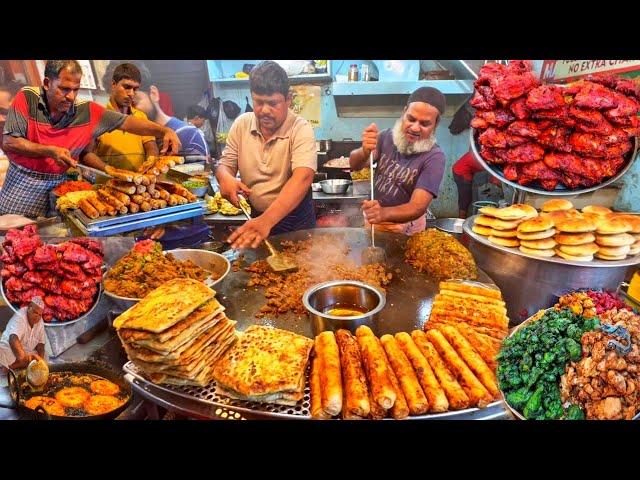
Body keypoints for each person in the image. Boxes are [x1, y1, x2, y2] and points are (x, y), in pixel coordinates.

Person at [0, 60, 181, 218]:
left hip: (61, 190)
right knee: (14, 244)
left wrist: (165, 131)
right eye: (64, 89)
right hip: (22, 186)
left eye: (75, 90)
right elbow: (10, 142)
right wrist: (49, 150)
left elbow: (128, 123)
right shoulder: (27, 97)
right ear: (47, 83)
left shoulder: (86, 111)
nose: (70, 96)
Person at [216, 61, 317, 249]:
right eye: (259, 102)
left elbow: (303, 177)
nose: (264, 110)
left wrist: (266, 221)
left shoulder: (300, 128)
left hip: (296, 224)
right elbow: (225, 165)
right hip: (257, 220)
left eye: (272, 103)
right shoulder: (241, 124)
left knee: (304, 272)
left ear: (288, 99)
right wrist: (225, 178)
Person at [349, 86, 447, 235]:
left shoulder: (435, 157)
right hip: (375, 219)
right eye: (411, 119)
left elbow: (417, 207)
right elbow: (354, 165)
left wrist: (383, 213)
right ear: (404, 112)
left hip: (406, 226)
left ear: (435, 125)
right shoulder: (387, 136)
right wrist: (363, 151)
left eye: (425, 124)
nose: (415, 128)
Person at [125, 61, 209, 160]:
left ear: (153, 94)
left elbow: (201, 173)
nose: (131, 110)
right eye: (125, 106)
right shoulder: (135, 138)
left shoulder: (189, 134)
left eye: (135, 103)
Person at [92, 63, 159, 171]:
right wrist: (109, 170)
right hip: (107, 183)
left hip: (138, 183)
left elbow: (151, 146)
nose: (131, 94)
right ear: (113, 84)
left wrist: (150, 162)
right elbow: (87, 155)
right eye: (127, 87)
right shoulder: (98, 117)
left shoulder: (141, 116)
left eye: (135, 89)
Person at [0, 296, 46, 371]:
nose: (37, 316)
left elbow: (40, 345)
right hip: (10, 349)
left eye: (39, 314)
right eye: (35, 312)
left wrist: (41, 362)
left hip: (26, 352)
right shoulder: (20, 317)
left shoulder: (40, 321)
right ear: (29, 308)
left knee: (43, 357)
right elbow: (13, 338)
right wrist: (23, 360)